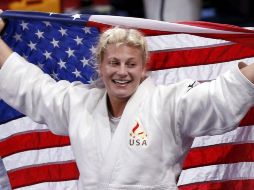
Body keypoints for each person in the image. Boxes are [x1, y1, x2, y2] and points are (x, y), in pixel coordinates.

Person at [0, 14, 254, 190]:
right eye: (114, 63)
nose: (122, 72)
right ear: (100, 67)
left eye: (131, 64)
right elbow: (28, 86)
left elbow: (221, 95)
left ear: (144, 68)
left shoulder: (169, 103)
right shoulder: (78, 104)